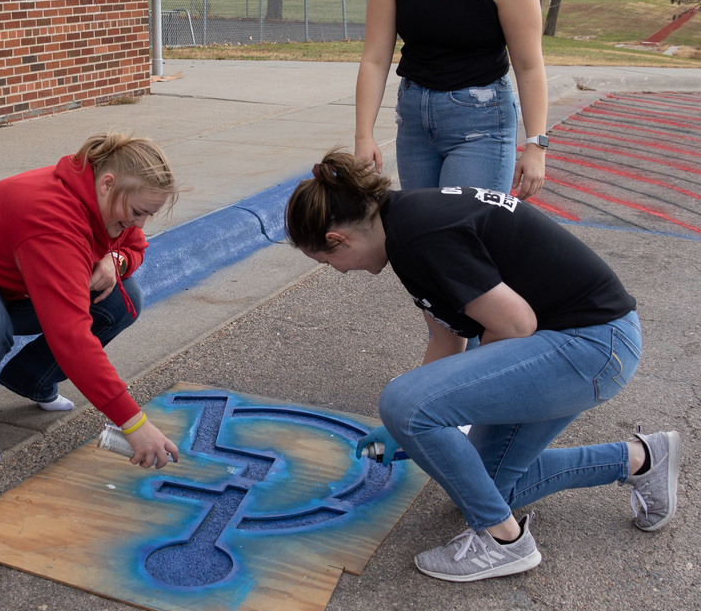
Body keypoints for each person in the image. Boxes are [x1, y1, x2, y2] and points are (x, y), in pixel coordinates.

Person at [284, 149, 681, 582]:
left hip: (592, 347)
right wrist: (405, 424)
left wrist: (414, 412)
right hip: (575, 342)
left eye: (326, 262)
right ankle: (641, 459)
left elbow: (514, 325)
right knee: (485, 489)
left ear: (338, 239)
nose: (337, 272)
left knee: (405, 403)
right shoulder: (405, 224)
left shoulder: (418, 234)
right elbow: (445, 336)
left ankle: (505, 544)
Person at [0, 133, 180, 469]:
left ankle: (32, 380)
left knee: (121, 298)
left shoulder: (110, 202)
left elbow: (135, 246)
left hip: (6, 289)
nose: (139, 223)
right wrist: (134, 424)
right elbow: (70, 335)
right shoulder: (50, 216)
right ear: (107, 183)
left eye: (148, 215)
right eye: (136, 212)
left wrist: (116, 262)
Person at [354, 0, 548, 199]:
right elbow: (374, 58)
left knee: (462, 232)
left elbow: (529, 65)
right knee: (424, 233)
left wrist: (535, 145)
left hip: (481, 122)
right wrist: (363, 136)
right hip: (415, 121)